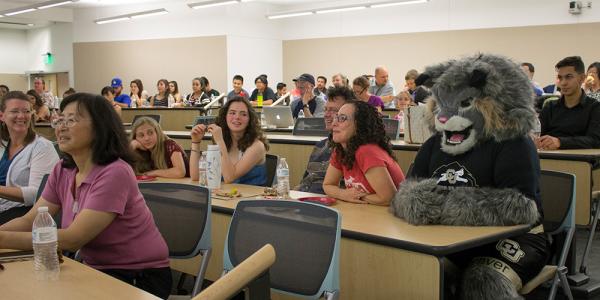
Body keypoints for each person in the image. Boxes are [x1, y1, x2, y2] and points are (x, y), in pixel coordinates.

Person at [0, 93, 172, 299]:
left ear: (99, 127)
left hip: (139, 277)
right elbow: (30, 219)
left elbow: (74, 238)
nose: (61, 127)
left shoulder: (115, 172)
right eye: (60, 119)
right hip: (95, 268)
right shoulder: (62, 170)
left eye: (71, 120)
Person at [323, 101, 405, 205]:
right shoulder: (340, 149)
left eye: (342, 118)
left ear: (359, 125)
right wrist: (344, 194)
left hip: (392, 215)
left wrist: (357, 197)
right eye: (336, 117)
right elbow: (327, 185)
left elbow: (388, 198)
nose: (334, 123)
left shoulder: (367, 151)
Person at [0, 91, 59, 224]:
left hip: (25, 213)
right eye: (15, 111)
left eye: (26, 111)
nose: (21, 116)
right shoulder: (3, 145)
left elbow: (38, 194)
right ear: (2, 116)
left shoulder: (42, 147)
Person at [190, 96, 268, 185]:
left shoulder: (257, 146)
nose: (237, 117)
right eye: (232, 113)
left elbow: (229, 178)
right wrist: (196, 142)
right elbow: (196, 176)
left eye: (243, 114)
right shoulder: (225, 143)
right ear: (225, 116)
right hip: (227, 197)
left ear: (250, 119)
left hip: (251, 197)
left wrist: (219, 141)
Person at [296, 86, 354, 194]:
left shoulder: (353, 149)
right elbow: (305, 181)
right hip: (306, 198)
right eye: (326, 109)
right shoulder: (320, 146)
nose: (326, 114)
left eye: (333, 110)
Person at [537, 56, 600, 150]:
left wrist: (560, 142)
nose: (563, 83)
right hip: (548, 159)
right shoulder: (549, 107)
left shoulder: (595, 107)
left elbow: (595, 141)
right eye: (560, 77)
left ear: (582, 78)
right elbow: (539, 135)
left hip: (581, 162)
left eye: (568, 77)